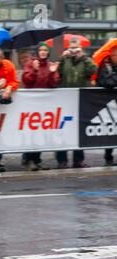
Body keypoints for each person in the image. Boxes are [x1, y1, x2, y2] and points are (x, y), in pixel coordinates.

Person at [56, 37, 98, 169]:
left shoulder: (85, 60)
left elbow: (94, 69)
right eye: (71, 48)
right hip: (64, 99)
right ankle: (62, 160)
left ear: (80, 48)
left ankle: (78, 160)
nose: (73, 51)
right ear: (68, 48)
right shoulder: (65, 59)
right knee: (63, 129)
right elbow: (57, 73)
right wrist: (62, 59)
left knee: (78, 130)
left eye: (76, 48)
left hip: (80, 100)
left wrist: (83, 57)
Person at [21, 42, 60, 171]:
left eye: (45, 50)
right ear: (37, 52)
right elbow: (26, 80)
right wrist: (35, 70)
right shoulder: (30, 64)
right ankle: (28, 159)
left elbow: (54, 84)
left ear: (48, 52)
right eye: (41, 50)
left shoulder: (51, 65)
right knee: (31, 133)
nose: (43, 52)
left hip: (45, 105)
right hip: (31, 105)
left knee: (42, 133)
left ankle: (37, 159)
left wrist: (52, 73)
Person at [97, 47, 117, 165]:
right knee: (110, 129)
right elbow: (105, 82)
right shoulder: (105, 66)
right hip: (107, 103)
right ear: (111, 55)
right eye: (115, 55)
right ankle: (108, 157)